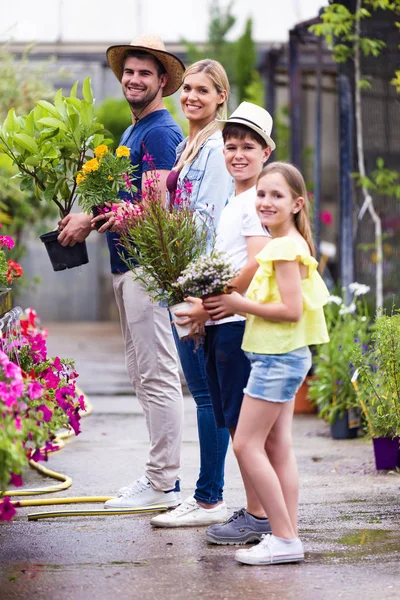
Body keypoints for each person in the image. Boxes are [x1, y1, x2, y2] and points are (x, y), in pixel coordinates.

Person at [58, 35, 186, 509]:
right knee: (141, 372)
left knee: (157, 374)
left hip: (147, 267)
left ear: (161, 82)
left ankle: (163, 484)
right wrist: (85, 216)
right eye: (129, 72)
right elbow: (123, 201)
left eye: (144, 73)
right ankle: (159, 479)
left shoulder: (159, 133)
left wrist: (92, 220)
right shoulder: (133, 132)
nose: (134, 79)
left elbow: (157, 211)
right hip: (125, 267)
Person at [153, 102, 276, 538]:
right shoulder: (237, 200)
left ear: (266, 152)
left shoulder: (256, 202)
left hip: (237, 326)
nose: (237, 154)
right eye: (230, 146)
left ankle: (258, 516)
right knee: (234, 421)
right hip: (224, 324)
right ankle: (256, 512)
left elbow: (260, 261)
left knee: (243, 428)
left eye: (248, 146)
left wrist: (216, 302)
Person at [203, 162, 329, 565]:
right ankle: (285, 532)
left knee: (246, 443)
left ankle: (284, 538)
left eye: (276, 195)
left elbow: (291, 310)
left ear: (297, 203)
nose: (266, 202)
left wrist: (239, 304)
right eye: (261, 194)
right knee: (277, 447)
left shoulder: (284, 248)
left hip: (277, 359)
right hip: (281, 357)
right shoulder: (288, 244)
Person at [150, 59, 234, 528]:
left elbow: (211, 220)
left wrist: (198, 289)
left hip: (198, 282)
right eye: (186, 90)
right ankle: (207, 494)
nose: (190, 97)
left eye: (203, 90)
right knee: (203, 394)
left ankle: (208, 498)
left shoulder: (218, 147)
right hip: (179, 277)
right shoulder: (188, 145)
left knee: (207, 396)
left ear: (221, 96)